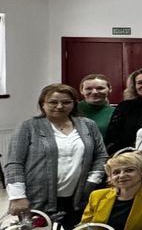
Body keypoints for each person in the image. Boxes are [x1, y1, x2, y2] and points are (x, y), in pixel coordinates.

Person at [5, 83, 107, 221]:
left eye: (66, 102)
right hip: (37, 199)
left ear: (74, 104)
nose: (59, 106)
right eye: (53, 102)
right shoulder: (28, 127)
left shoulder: (88, 125)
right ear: (43, 104)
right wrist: (17, 197)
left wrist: (92, 181)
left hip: (79, 197)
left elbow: (101, 155)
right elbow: (14, 163)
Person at [104, 67, 142, 152]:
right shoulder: (125, 107)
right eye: (140, 83)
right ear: (134, 87)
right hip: (127, 154)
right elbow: (112, 137)